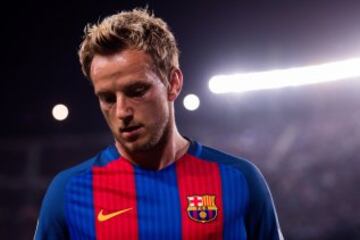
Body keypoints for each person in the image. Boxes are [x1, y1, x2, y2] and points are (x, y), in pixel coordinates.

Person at [35, 8, 283, 240]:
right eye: (108, 98)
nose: (122, 111)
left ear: (173, 83)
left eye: (137, 91)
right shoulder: (68, 193)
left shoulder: (240, 180)